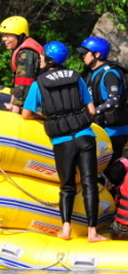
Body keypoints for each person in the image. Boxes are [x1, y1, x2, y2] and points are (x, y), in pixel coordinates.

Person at [21, 41, 107, 242]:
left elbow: (26, 114)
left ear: (49, 59)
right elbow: (91, 111)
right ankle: (93, 232)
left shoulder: (38, 84)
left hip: (63, 140)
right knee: (89, 183)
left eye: (42, 56)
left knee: (67, 187)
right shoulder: (77, 77)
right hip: (85, 136)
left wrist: (46, 117)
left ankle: (66, 230)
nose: (40, 59)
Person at [77, 36, 128, 164]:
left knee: (112, 169)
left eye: (85, 53)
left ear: (97, 54)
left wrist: (93, 112)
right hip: (101, 129)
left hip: (114, 132)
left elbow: (114, 101)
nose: (82, 56)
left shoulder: (110, 74)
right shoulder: (93, 73)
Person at [0, 16, 44, 113]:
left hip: (39, 105)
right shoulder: (22, 49)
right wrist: (12, 103)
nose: (4, 39)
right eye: (3, 35)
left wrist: (16, 108)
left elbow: (24, 83)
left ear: (20, 36)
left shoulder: (26, 54)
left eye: (8, 35)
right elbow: (18, 81)